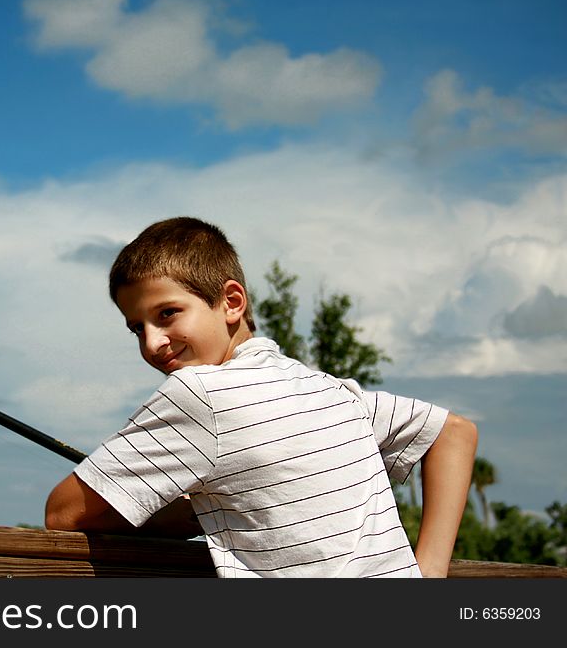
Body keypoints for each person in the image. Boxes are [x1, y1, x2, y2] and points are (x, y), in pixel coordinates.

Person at [46, 216, 478, 577]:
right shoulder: (328, 390)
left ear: (231, 301)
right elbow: (455, 433)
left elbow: (64, 515)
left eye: (167, 314)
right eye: (137, 327)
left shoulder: (198, 394)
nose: (151, 343)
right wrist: (428, 575)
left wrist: (189, 513)